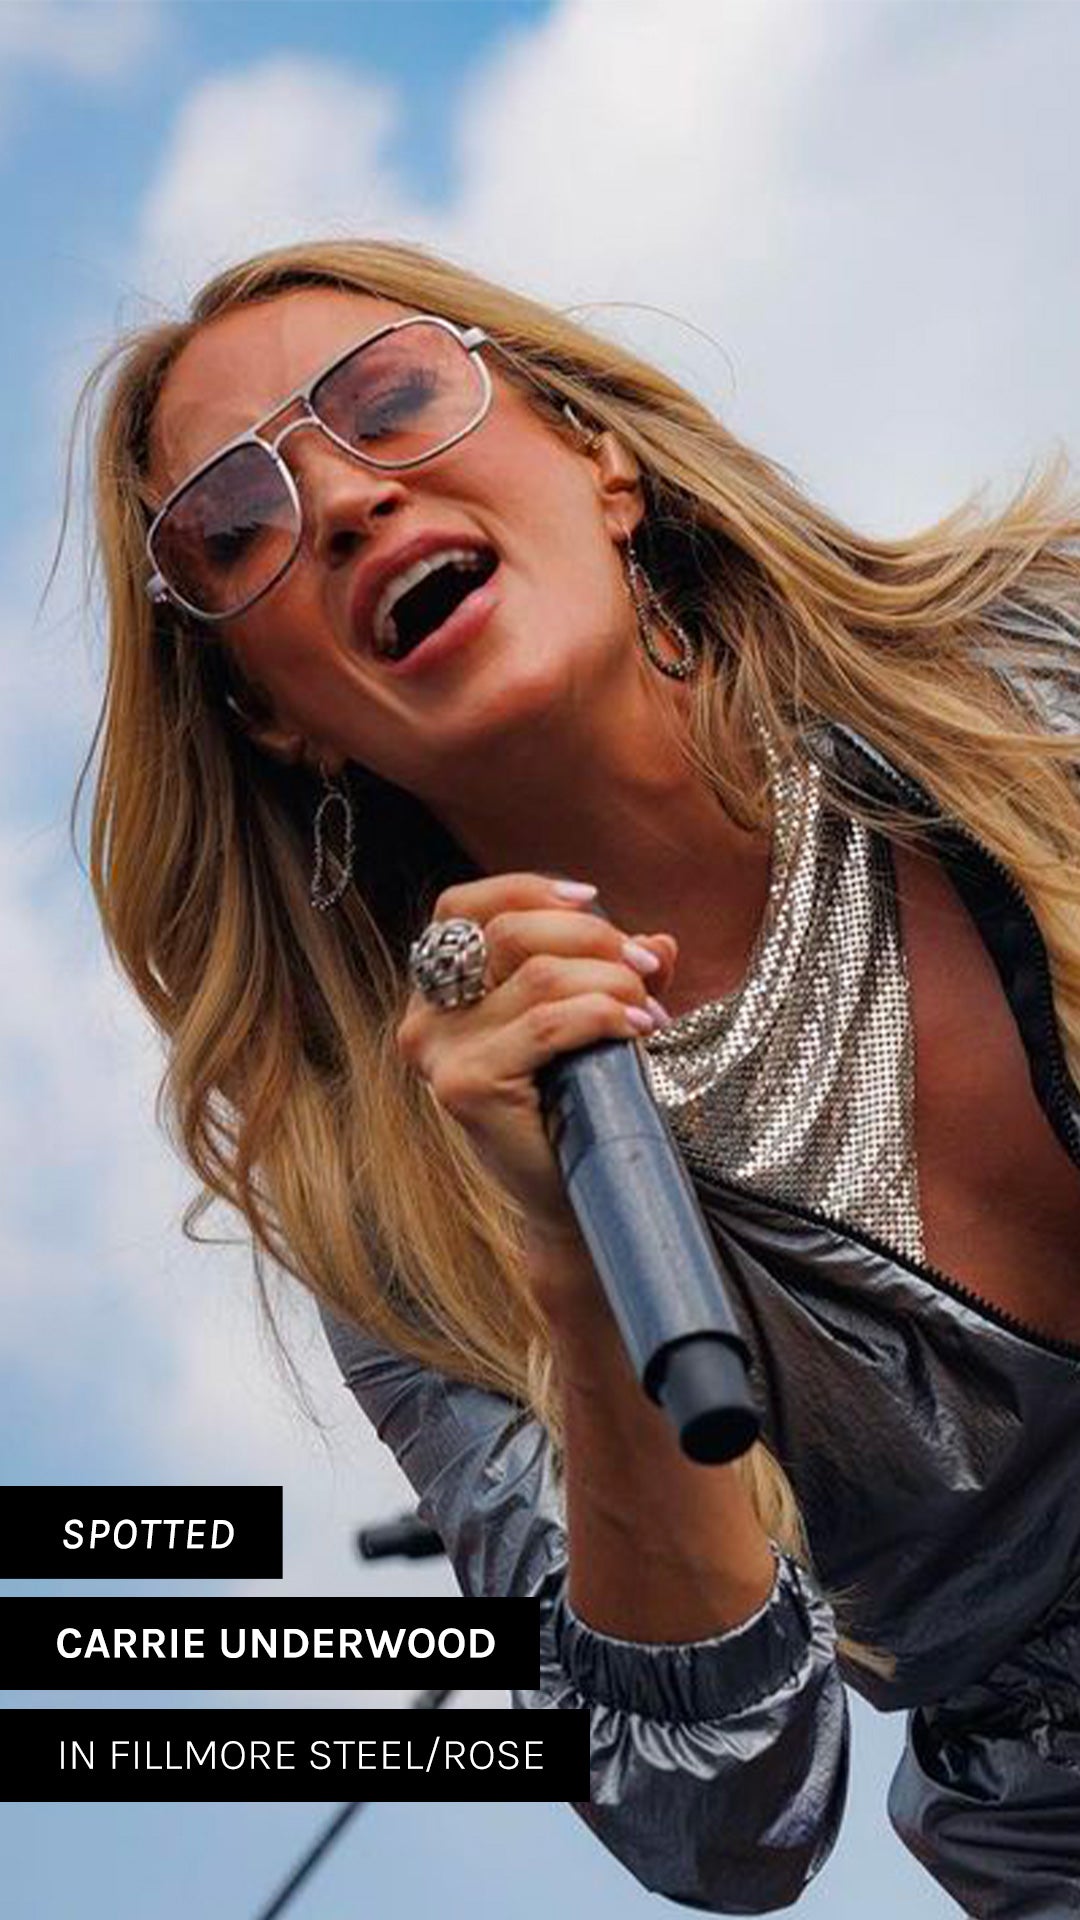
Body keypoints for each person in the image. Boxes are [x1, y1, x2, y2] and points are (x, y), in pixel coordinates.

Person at [73, 236, 1080, 1916]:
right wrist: (571, 1260)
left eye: (389, 400)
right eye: (232, 529)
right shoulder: (404, 1212)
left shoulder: (1037, 669)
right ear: (273, 713)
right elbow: (722, 1820)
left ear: (601, 463)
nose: (344, 500)